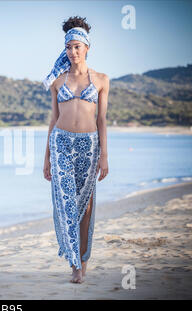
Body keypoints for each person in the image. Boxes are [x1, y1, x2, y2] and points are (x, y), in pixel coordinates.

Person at [42, 16, 110, 284]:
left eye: (77, 47)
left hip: (89, 146)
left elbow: (102, 120)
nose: (72, 52)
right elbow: (52, 120)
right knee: (66, 204)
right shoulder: (57, 81)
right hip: (60, 144)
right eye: (68, 47)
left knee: (87, 206)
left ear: (87, 47)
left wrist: (104, 155)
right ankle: (74, 266)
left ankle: (83, 259)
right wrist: (46, 158)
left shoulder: (102, 80)